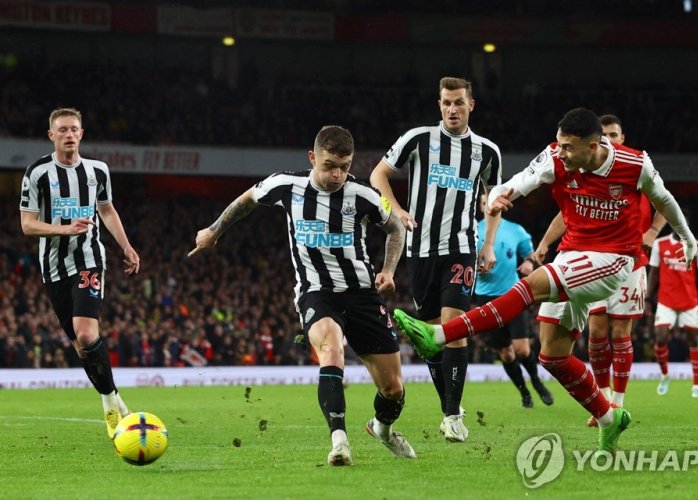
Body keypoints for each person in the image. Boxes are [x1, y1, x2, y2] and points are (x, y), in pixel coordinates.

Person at [393, 108, 697, 454]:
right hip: (573, 253)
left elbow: (664, 199)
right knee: (552, 354)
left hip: (614, 260)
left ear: (593, 146)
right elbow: (519, 182)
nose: (561, 152)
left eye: (569, 147)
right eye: (559, 144)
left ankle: (441, 334)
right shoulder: (555, 158)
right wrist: (497, 197)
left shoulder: (635, 164)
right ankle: (610, 418)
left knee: (532, 285)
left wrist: (685, 238)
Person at [189, 125, 415, 466]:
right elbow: (246, 200)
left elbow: (395, 227)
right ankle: (339, 441)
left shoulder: (363, 194)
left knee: (393, 390)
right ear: (312, 158)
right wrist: (214, 231)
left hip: (362, 295)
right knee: (332, 348)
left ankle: (381, 428)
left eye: (344, 166)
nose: (337, 174)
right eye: (329, 165)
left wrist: (389, 270)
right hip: (316, 292)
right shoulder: (286, 184)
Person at [370, 77, 502, 442]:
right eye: (446, 103)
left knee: (453, 327)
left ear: (471, 105)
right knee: (432, 338)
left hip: (461, 247)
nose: (452, 109)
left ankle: (450, 416)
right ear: (439, 104)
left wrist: (488, 245)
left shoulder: (487, 152)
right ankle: (452, 408)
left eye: (459, 102)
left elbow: (493, 202)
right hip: (421, 251)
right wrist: (394, 208)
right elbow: (378, 174)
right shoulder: (418, 139)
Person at [533, 114, 667, 426]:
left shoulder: (635, 169)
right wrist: (544, 242)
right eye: (605, 134)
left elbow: (663, 202)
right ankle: (603, 398)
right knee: (595, 333)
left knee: (620, 333)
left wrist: (652, 233)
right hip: (593, 262)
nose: (611, 138)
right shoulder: (585, 173)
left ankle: (617, 402)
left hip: (630, 263)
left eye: (615, 134)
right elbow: (567, 215)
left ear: (623, 136)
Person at [19, 107, 139, 438]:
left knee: (87, 334)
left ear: (81, 134)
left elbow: (107, 210)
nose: (69, 134)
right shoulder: (37, 173)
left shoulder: (98, 171)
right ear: (52, 135)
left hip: (88, 259)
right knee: (80, 347)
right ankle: (113, 398)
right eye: (63, 130)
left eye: (74, 129)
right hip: (53, 267)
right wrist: (64, 229)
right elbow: (27, 225)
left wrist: (125, 247)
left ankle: (109, 405)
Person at [474, 194, 553, 408]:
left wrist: (529, 263)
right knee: (506, 354)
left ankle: (537, 383)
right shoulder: (471, 231)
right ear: (480, 207)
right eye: (484, 204)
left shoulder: (515, 230)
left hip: (512, 295)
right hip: (485, 298)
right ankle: (524, 393)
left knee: (523, 350)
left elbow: (531, 255)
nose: (488, 207)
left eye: (491, 203)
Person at [648, 231, 698, 398]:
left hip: (689, 302)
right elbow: (653, 273)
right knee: (661, 338)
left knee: (693, 340)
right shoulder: (660, 244)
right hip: (666, 301)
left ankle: (696, 385)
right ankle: (664, 375)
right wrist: (647, 298)